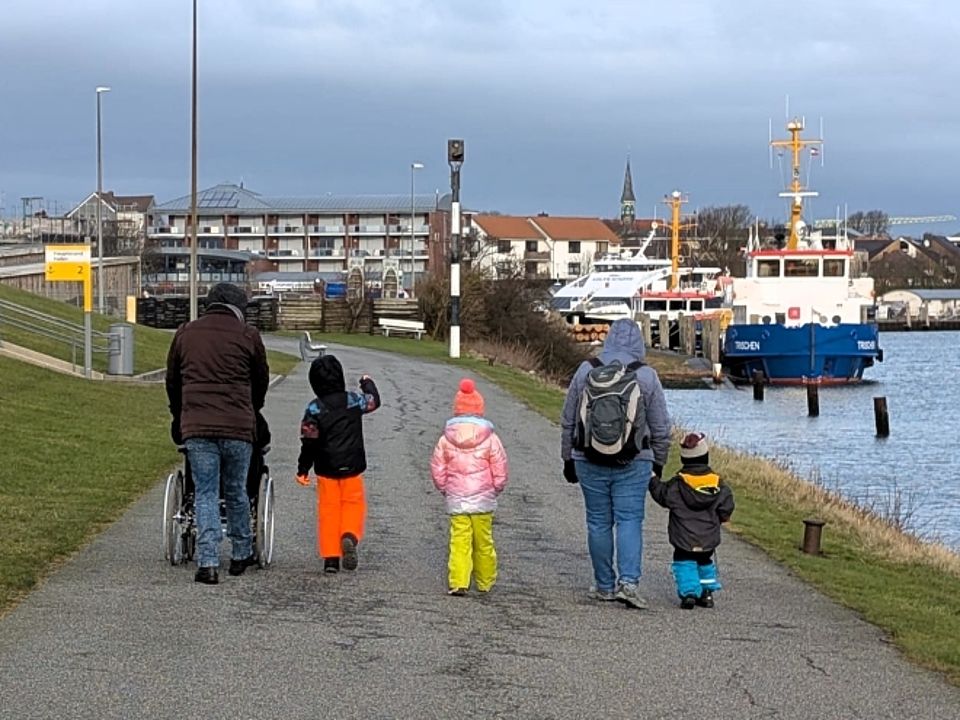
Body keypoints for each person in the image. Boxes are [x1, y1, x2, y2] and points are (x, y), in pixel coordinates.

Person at [560, 317, 671, 608]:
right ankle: (629, 584)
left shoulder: (586, 369)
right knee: (629, 519)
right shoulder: (646, 376)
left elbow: (568, 420)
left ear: (608, 340)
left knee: (598, 521)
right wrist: (658, 463)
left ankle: (604, 585)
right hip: (635, 460)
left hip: (588, 456)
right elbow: (661, 428)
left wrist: (568, 458)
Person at [166, 282, 270, 585]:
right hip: (238, 425)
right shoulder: (248, 335)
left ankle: (208, 562)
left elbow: (173, 381)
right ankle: (240, 553)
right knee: (237, 490)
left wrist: (180, 414)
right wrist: (251, 409)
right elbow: (260, 382)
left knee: (206, 492)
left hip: (197, 425)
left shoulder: (185, 333)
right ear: (239, 309)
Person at [296, 355, 380, 573]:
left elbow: (308, 442)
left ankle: (331, 558)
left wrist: (303, 468)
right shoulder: (353, 401)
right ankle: (349, 534)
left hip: (326, 468)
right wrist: (366, 382)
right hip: (352, 465)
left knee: (328, 510)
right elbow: (373, 401)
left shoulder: (314, 409)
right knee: (353, 503)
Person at [430, 379, 509, 596]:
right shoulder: (491, 438)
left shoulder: (446, 439)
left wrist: (445, 488)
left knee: (459, 541)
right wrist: (496, 488)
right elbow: (500, 467)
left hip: (457, 497)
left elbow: (438, 468)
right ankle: (485, 581)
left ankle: (459, 581)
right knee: (484, 541)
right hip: (483, 499)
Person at [649, 432, 734, 609]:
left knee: (683, 560)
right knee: (705, 561)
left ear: (684, 459)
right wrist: (722, 518)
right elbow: (726, 506)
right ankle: (706, 593)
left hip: (683, 536)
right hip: (708, 536)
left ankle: (689, 593)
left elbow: (662, 495)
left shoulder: (678, 484)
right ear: (706, 457)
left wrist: (653, 479)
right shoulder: (717, 484)